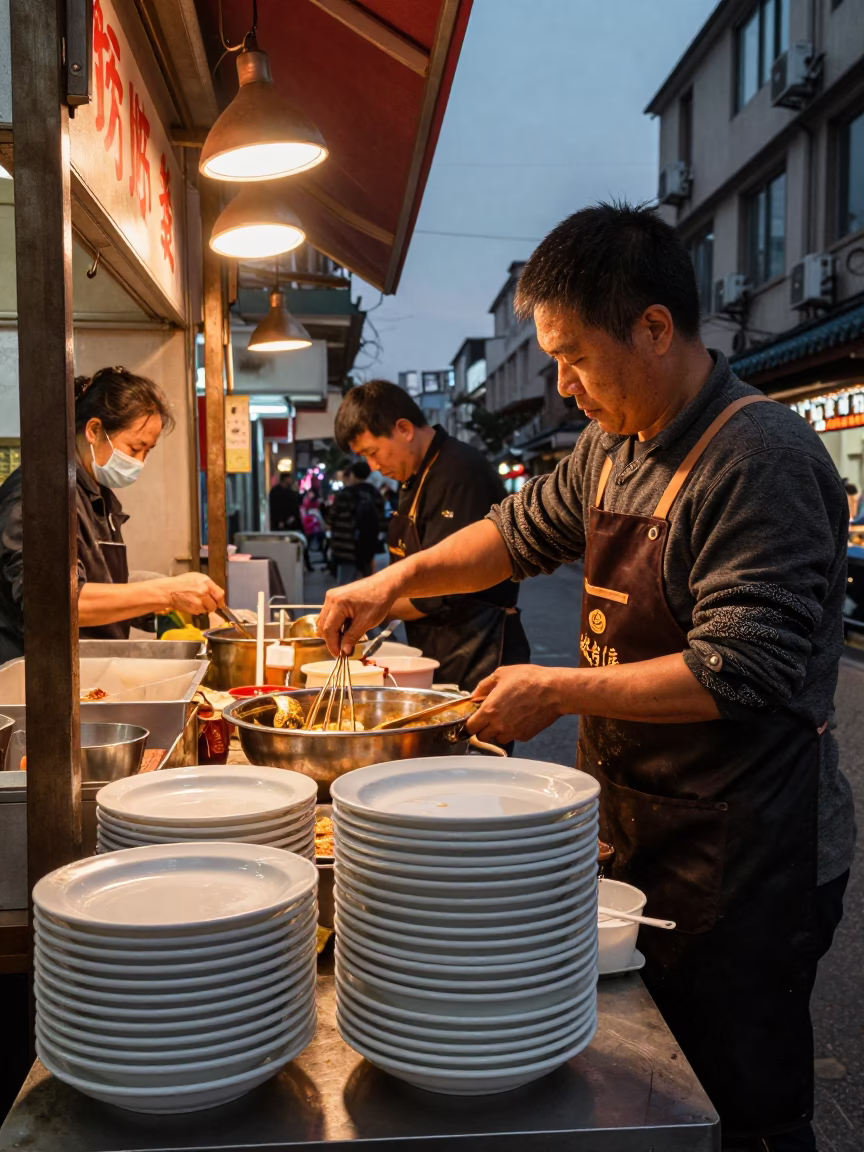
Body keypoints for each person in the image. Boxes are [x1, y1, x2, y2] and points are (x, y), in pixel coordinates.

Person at [319, 204, 856, 1151]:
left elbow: (741, 669)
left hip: (751, 849)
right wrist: (394, 579)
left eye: (571, 357)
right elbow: (514, 536)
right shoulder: (611, 448)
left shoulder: (757, 455)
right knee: (648, 1089)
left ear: (655, 327)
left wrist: (557, 687)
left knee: (743, 1103)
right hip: (644, 824)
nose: (562, 387)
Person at [0, 367, 223, 662]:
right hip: (32, 677)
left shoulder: (95, 494)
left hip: (85, 669)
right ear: (93, 430)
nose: (140, 462)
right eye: (135, 447)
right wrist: (166, 591)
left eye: (148, 451)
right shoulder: (40, 496)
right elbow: (55, 604)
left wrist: (153, 595)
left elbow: (94, 580)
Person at [332, 380, 530, 691]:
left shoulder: (460, 472)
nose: (373, 466)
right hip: (438, 645)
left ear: (404, 429)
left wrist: (368, 603)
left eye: (373, 452)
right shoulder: (413, 474)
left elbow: (438, 594)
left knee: (471, 740)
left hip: (478, 649)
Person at [329, 461, 387, 585]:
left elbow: (331, 517)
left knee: (345, 585)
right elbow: (382, 520)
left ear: (353, 474)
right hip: (368, 546)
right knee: (367, 584)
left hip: (346, 548)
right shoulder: (375, 493)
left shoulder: (345, 494)